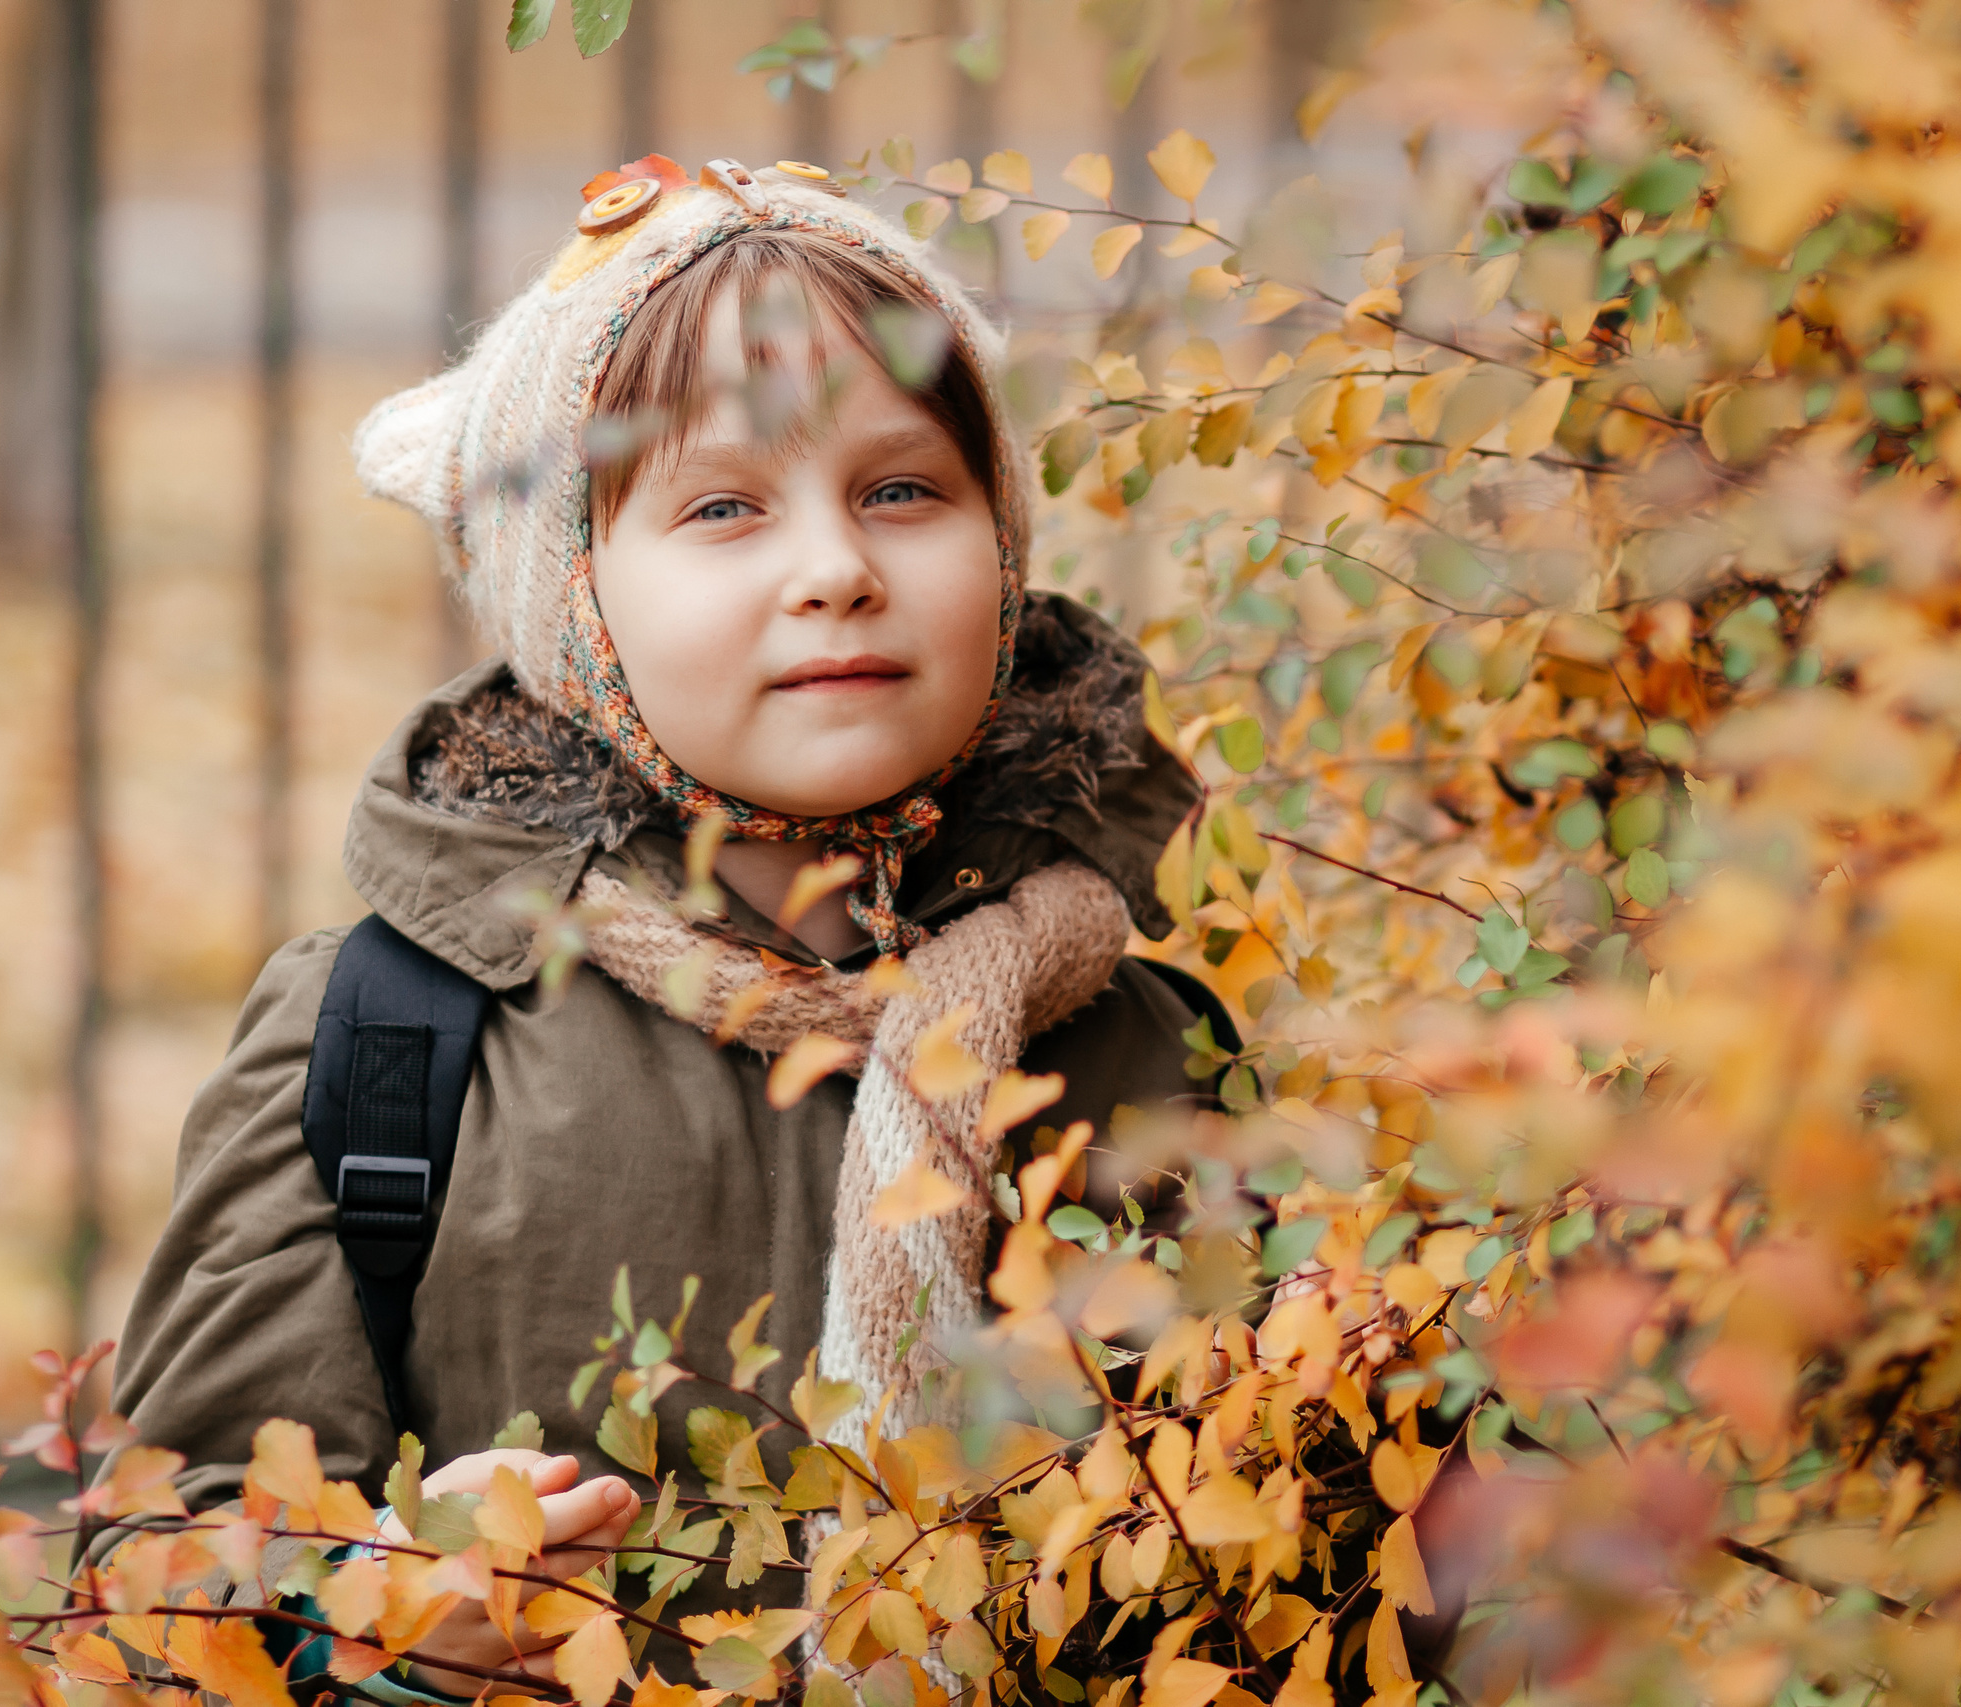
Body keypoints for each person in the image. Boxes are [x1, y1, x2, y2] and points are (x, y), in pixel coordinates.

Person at [106, 155, 1218, 1699]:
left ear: (1003, 539)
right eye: (722, 506)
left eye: (902, 489)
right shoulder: (390, 1046)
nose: (836, 570)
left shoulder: (1143, 1048)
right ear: (572, 601)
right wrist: (363, 1613)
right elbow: (162, 1588)